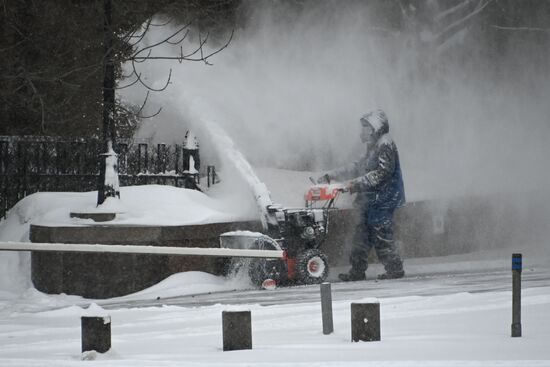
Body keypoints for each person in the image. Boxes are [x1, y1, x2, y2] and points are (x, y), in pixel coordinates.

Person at [317, 109, 405, 281]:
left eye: (364, 127)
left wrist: (353, 184)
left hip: (383, 200)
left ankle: (394, 269)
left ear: (373, 128)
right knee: (361, 237)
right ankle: (357, 270)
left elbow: (381, 174)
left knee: (382, 236)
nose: (361, 132)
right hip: (370, 200)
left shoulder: (385, 144)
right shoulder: (373, 146)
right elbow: (359, 167)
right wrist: (333, 175)